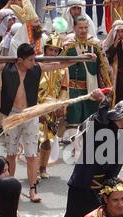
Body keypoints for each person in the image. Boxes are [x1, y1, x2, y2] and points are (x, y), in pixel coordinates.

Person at [0, 43, 93, 202]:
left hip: (30, 115)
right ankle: (9, 189)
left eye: (34, 59)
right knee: (11, 154)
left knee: (32, 154)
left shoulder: (37, 68)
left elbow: (59, 64)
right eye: (30, 60)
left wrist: (82, 58)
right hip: (11, 115)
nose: (33, 62)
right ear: (20, 60)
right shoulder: (6, 67)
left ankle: (32, 190)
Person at [37, 33, 69, 179]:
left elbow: (64, 89)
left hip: (52, 109)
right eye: (50, 50)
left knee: (47, 141)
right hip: (36, 108)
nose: (53, 53)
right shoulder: (38, 66)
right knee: (34, 140)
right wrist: (37, 111)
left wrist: (60, 107)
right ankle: (34, 169)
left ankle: (43, 168)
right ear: (45, 49)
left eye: (56, 51)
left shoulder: (63, 69)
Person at [103, 20, 123, 104]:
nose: (120, 34)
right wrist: (114, 47)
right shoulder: (107, 44)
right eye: (117, 31)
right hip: (113, 75)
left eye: (122, 31)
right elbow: (106, 61)